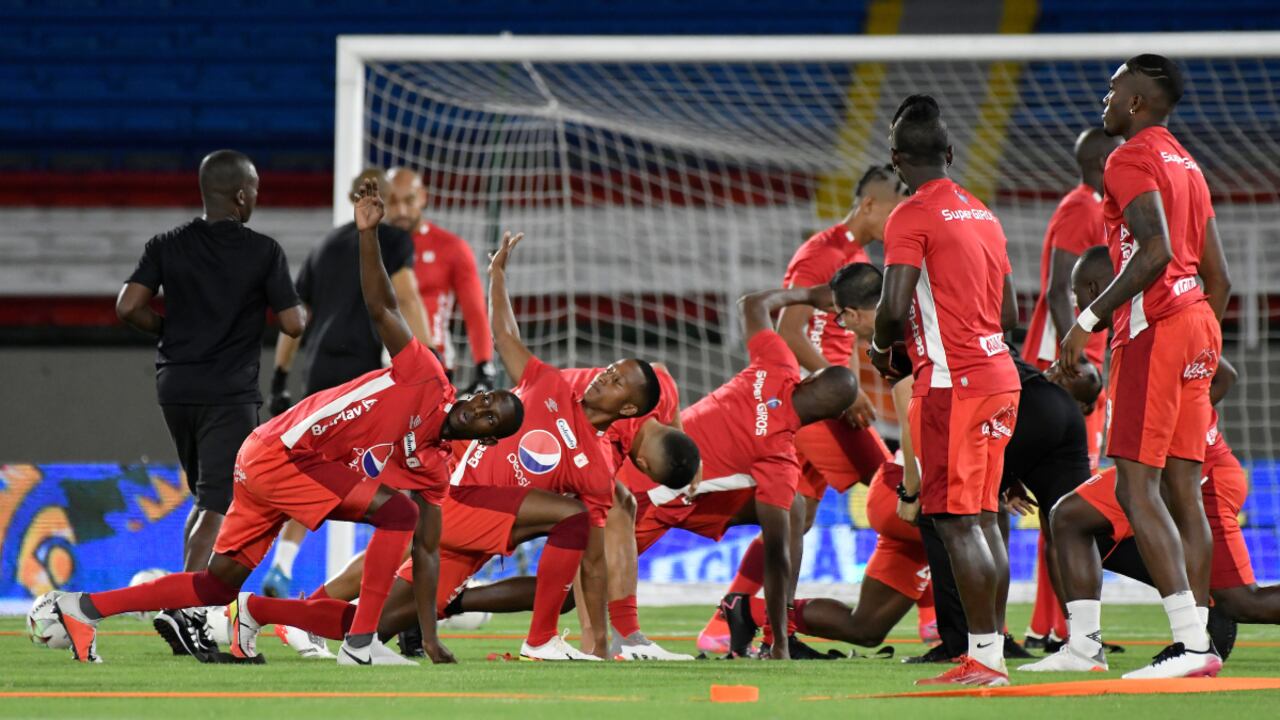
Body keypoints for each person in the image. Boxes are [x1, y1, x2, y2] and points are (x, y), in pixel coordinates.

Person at [51, 179, 524, 666]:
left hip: (277, 465)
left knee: (216, 586)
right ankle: (360, 646)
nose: (481, 405)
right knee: (396, 515)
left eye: (491, 416)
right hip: (282, 452)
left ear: (486, 437)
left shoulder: (435, 469)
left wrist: (428, 637)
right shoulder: (425, 375)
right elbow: (382, 306)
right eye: (487, 397)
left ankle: (82, 608)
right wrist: (368, 234)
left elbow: (426, 554)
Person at [377, 230, 670, 661]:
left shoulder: (595, 469)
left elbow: (592, 562)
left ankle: (266, 613)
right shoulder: (547, 382)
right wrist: (497, 276)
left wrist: (603, 646)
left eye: (615, 381)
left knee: (371, 627)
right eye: (608, 369)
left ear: (628, 409)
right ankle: (539, 639)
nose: (603, 377)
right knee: (570, 517)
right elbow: (504, 335)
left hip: (485, 528)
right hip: (458, 501)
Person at [1054, 54, 1231, 679]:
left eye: (1113, 86)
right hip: (1197, 324)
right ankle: (1193, 640)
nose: (1104, 94)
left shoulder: (1127, 158)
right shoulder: (1189, 162)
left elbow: (1153, 251)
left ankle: (1189, 646)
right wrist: (1203, 340)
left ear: (1136, 101)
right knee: (1185, 489)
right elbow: (1221, 278)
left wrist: (1087, 320)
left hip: (1155, 329)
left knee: (1136, 484)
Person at [697, 166, 905, 653]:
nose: (899, 219)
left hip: (829, 399)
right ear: (870, 205)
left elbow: (840, 337)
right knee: (899, 490)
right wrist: (845, 391)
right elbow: (790, 331)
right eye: (894, 209)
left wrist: (852, 386)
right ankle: (945, 625)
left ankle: (733, 621)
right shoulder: (823, 253)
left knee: (798, 517)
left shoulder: (854, 255)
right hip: (814, 405)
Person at [114, 149, 307, 657]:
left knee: (206, 497)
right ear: (242, 195)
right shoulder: (263, 251)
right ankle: (188, 612)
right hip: (228, 391)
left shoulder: (167, 244)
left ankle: (186, 601)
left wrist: (171, 330)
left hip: (175, 386)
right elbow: (293, 324)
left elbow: (128, 306)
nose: (257, 200)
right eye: (257, 191)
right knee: (220, 502)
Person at [870, 94, 1021, 687]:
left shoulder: (909, 216)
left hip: (952, 383)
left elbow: (892, 306)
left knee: (959, 524)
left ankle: (984, 662)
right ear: (951, 154)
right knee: (984, 519)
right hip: (999, 375)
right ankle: (991, 653)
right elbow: (1008, 309)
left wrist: (885, 349)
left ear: (896, 159)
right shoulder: (984, 213)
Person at [632, 284, 860, 660]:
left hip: (641, 453)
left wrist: (810, 295)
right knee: (573, 589)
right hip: (652, 500)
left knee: (796, 510)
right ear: (831, 418)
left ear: (808, 379)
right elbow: (777, 556)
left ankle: (753, 621)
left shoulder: (778, 362)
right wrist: (781, 643)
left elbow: (752, 303)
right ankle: (776, 635)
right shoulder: (778, 458)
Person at [260, 170, 435, 599]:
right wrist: (432, 363)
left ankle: (282, 564)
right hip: (362, 376)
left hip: (318, 372)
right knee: (406, 471)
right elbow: (407, 296)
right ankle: (397, 577)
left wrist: (281, 377)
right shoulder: (392, 240)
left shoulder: (324, 245)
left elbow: (296, 318)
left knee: (317, 469)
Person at [1023, 361, 1243, 673]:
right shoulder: (1139, 330)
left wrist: (1086, 322)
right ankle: (1194, 616)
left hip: (1190, 466)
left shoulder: (1163, 321)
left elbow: (1225, 375)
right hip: (1165, 463)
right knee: (1072, 523)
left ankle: (1194, 631)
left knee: (1245, 601)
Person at [1019, 127, 1119, 651]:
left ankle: (1051, 624)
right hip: (1065, 371)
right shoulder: (1082, 209)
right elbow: (1060, 286)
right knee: (1067, 499)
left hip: (1068, 366)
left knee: (1063, 503)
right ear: (1106, 160)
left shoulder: (1089, 206)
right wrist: (1073, 358)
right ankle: (1057, 626)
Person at [384, 167, 496, 392]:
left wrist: (484, 365)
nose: (401, 210)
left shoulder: (451, 248)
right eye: (393, 202)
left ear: (423, 197)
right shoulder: (370, 249)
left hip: (435, 366)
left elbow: (474, 311)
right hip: (379, 369)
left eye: (409, 200)